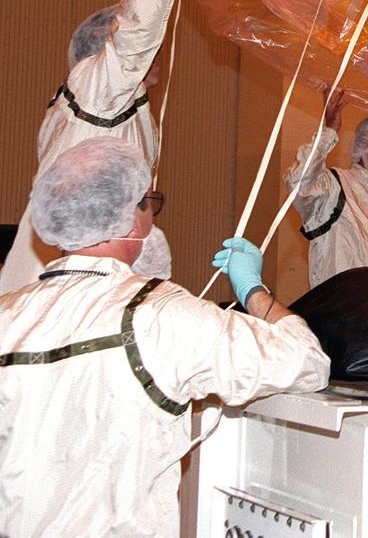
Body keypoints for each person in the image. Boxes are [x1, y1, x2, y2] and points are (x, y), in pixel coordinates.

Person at [0, 137, 329, 535]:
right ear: (134, 219)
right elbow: (306, 362)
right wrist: (252, 290)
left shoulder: (7, 313)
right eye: (148, 202)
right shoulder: (158, 314)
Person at [0, 0, 189, 293]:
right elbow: (138, 25)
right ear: (106, 53)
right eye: (145, 50)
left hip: (89, 277)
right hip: (74, 285)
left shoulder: (105, 107)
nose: (156, 54)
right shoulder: (97, 89)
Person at [287, 86, 368, 287]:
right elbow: (300, 183)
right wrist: (329, 132)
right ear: (362, 146)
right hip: (345, 308)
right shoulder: (335, 185)